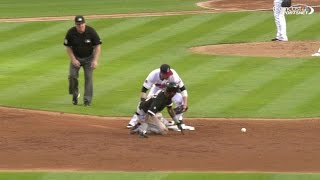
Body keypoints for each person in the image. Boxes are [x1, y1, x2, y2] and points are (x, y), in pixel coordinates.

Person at [127, 64, 194, 131]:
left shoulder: (174, 76)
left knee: (181, 101)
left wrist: (185, 104)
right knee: (145, 103)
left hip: (169, 91)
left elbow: (183, 89)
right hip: (156, 88)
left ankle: (178, 121)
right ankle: (134, 122)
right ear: (161, 73)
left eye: (169, 74)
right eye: (166, 74)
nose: (168, 76)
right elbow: (144, 90)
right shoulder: (153, 75)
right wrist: (143, 101)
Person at [63, 15, 102, 106]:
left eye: (81, 24)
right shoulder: (71, 32)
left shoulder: (91, 31)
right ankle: (75, 95)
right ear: (75, 25)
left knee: (88, 78)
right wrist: (73, 59)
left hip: (89, 58)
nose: (80, 26)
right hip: (76, 57)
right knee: (72, 76)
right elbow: (68, 47)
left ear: (85, 23)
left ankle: (87, 101)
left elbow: (98, 46)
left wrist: (95, 60)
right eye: (78, 24)